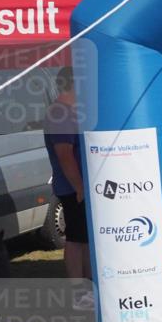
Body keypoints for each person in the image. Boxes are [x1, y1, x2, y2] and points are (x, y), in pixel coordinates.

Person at [44, 66, 92, 306]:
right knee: (75, 238)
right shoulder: (60, 113)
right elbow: (64, 154)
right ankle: (79, 293)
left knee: (84, 238)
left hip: (79, 187)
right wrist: (80, 186)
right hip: (74, 188)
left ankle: (87, 288)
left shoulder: (70, 111)